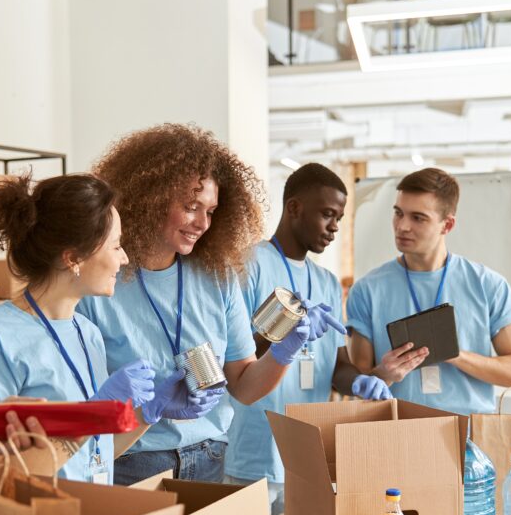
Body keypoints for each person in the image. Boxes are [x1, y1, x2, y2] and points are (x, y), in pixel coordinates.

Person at [80, 123, 341, 485]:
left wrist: (286, 348)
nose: (202, 223)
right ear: (149, 198)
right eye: (190, 207)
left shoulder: (217, 277)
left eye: (212, 210)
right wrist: (145, 408)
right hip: (133, 463)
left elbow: (244, 387)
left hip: (210, 457)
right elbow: (84, 408)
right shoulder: (101, 282)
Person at [0, 173, 216, 483]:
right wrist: (94, 410)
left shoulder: (87, 332)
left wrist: (150, 411)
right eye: (116, 246)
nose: (124, 258)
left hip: (90, 509)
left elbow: (98, 454)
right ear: (73, 258)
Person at [224, 163, 391, 515]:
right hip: (255, 450)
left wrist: (361, 381)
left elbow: (336, 365)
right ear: (295, 208)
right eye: (327, 214)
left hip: (307, 455)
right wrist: (286, 331)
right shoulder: (247, 265)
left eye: (339, 218)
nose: (334, 227)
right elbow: (236, 356)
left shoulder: (329, 283)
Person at [346, 167, 511, 414]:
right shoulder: (366, 290)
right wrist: (384, 374)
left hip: (469, 437)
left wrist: (452, 353)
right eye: (398, 213)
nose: (402, 226)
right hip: (394, 435)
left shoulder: (488, 285)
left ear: (447, 225)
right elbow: (357, 384)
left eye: (418, 217)